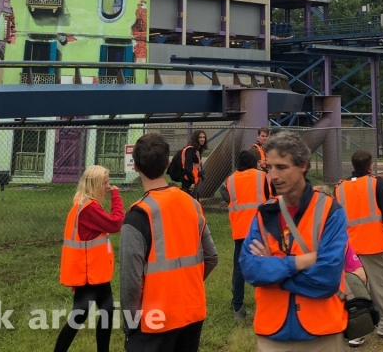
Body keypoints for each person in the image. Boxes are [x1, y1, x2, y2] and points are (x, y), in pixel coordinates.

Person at [240, 131, 348, 352]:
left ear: (303, 166)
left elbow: (327, 279)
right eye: (269, 167)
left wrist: (272, 270)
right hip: (273, 334)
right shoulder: (264, 213)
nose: (273, 176)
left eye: (281, 167)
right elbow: (250, 269)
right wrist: (297, 263)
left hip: (322, 334)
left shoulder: (330, 212)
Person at [120, 133, 219, 352]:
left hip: (154, 322)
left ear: (135, 166)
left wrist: (129, 324)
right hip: (191, 312)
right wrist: (184, 286)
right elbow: (211, 257)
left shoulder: (138, 215)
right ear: (167, 164)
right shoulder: (192, 204)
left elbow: (131, 282)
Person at [335, 149, 383, 338]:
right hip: (374, 245)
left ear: (352, 166)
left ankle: (355, 331)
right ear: (370, 166)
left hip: (349, 247)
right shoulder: (376, 183)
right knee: (378, 286)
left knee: (353, 289)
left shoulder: (339, 187)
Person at [56, 165, 125, 352]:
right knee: (81, 316)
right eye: (104, 183)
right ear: (94, 185)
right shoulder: (89, 208)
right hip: (90, 274)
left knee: (104, 312)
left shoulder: (82, 203)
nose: (108, 187)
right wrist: (116, 197)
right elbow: (116, 223)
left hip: (93, 273)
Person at [221, 148, 270, 320]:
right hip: (260, 229)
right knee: (264, 265)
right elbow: (271, 196)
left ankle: (238, 308)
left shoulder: (230, 180)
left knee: (239, 269)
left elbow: (224, 193)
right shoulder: (261, 177)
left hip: (240, 230)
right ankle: (267, 305)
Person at [180, 130, 208, 198]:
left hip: (194, 180)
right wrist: (192, 182)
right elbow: (188, 168)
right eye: (200, 137)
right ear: (196, 139)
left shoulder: (197, 150)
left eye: (203, 137)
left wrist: (199, 173)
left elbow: (194, 167)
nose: (202, 139)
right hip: (189, 181)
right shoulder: (190, 150)